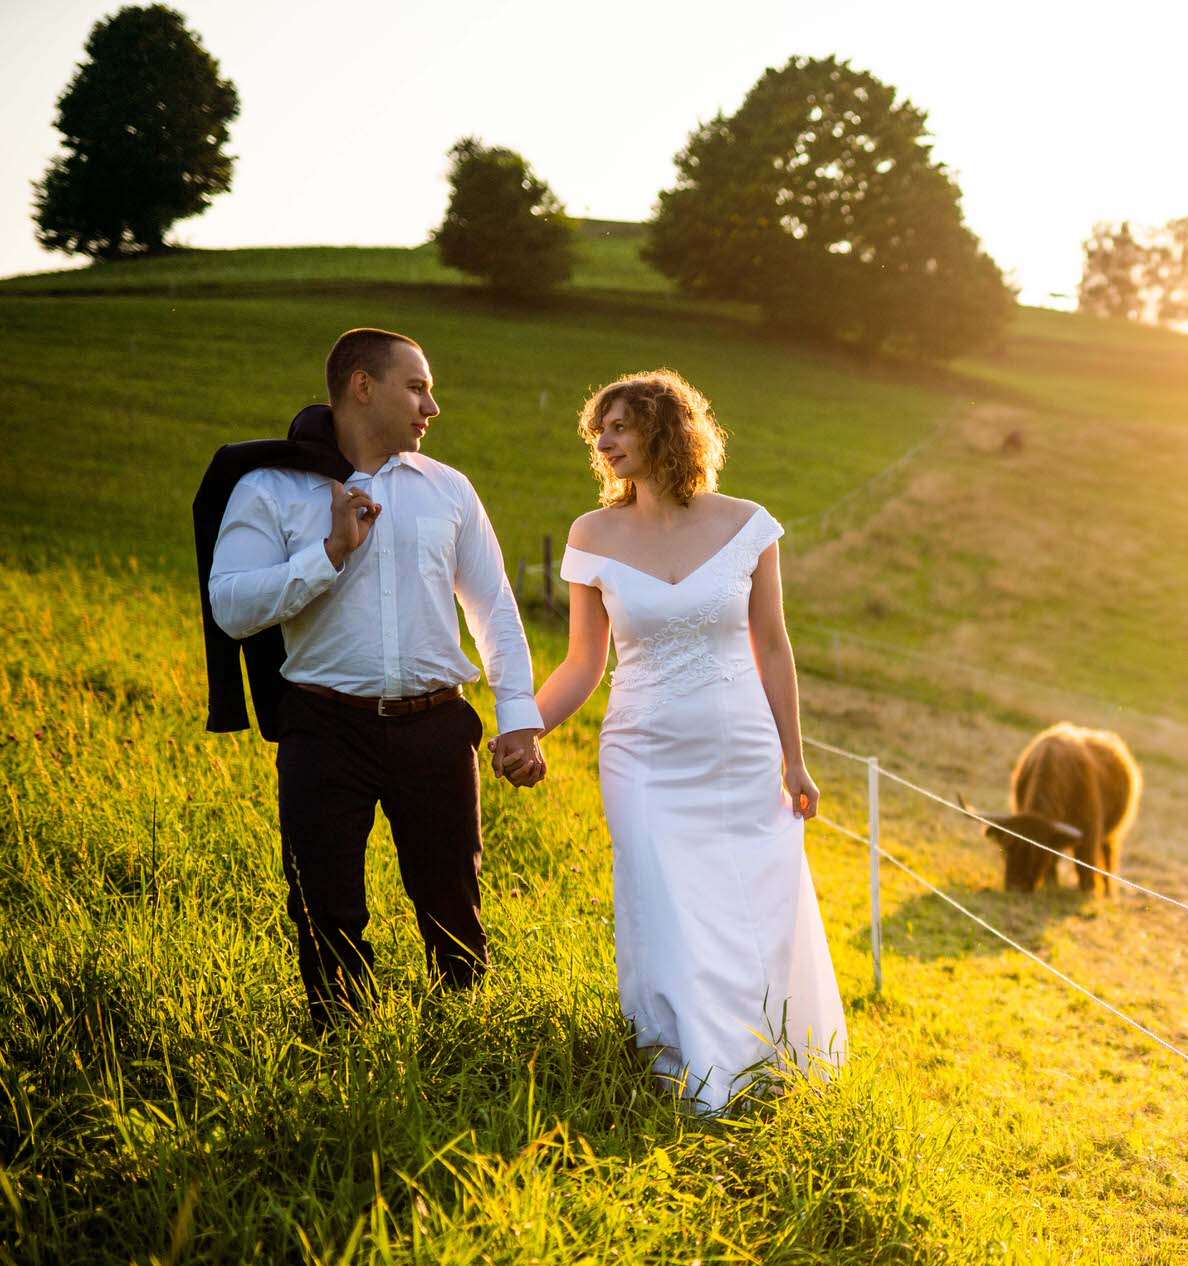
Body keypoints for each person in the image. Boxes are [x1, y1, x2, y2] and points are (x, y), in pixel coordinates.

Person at [207, 327, 545, 1028]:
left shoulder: (447, 489)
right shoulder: (269, 488)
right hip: (321, 725)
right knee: (325, 905)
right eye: (417, 386)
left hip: (435, 727)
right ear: (363, 386)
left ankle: (465, 1038)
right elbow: (232, 608)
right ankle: (341, 1045)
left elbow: (493, 608)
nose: (433, 406)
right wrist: (330, 552)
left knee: (453, 901)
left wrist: (517, 718)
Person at [528, 369, 844, 1110]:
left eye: (620, 426)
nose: (603, 442)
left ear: (667, 431)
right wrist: (523, 726)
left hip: (740, 754)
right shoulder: (592, 536)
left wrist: (795, 758)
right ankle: (687, 1064)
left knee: (747, 904)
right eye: (598, 431)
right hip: (640, 754)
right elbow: (583, 661)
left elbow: (772, 647)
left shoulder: (748, 525)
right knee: (662, 899)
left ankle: (762, 1055)